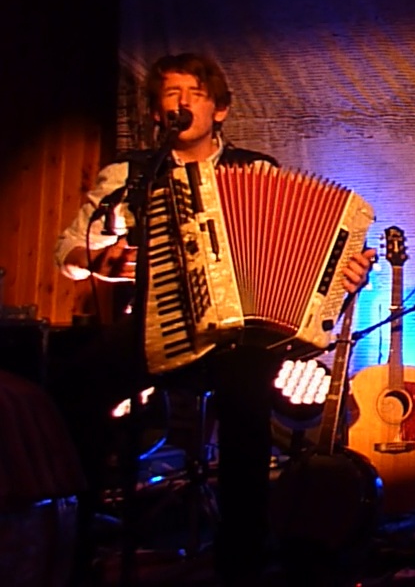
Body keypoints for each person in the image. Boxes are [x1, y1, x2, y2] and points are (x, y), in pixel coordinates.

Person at [52, 52, 375, 584]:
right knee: (75, 385)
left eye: (195, 94)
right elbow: (68, 253)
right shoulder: (130, 176)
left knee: (246, 392)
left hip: (238, 338)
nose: (182, 103)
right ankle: (78, 538)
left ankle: (241, 557)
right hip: (156, 324)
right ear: (156, 111)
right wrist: (115, 260)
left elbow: (303, 258)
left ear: (219, 109)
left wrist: (345, 273)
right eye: (170, 94)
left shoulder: (255, 171)